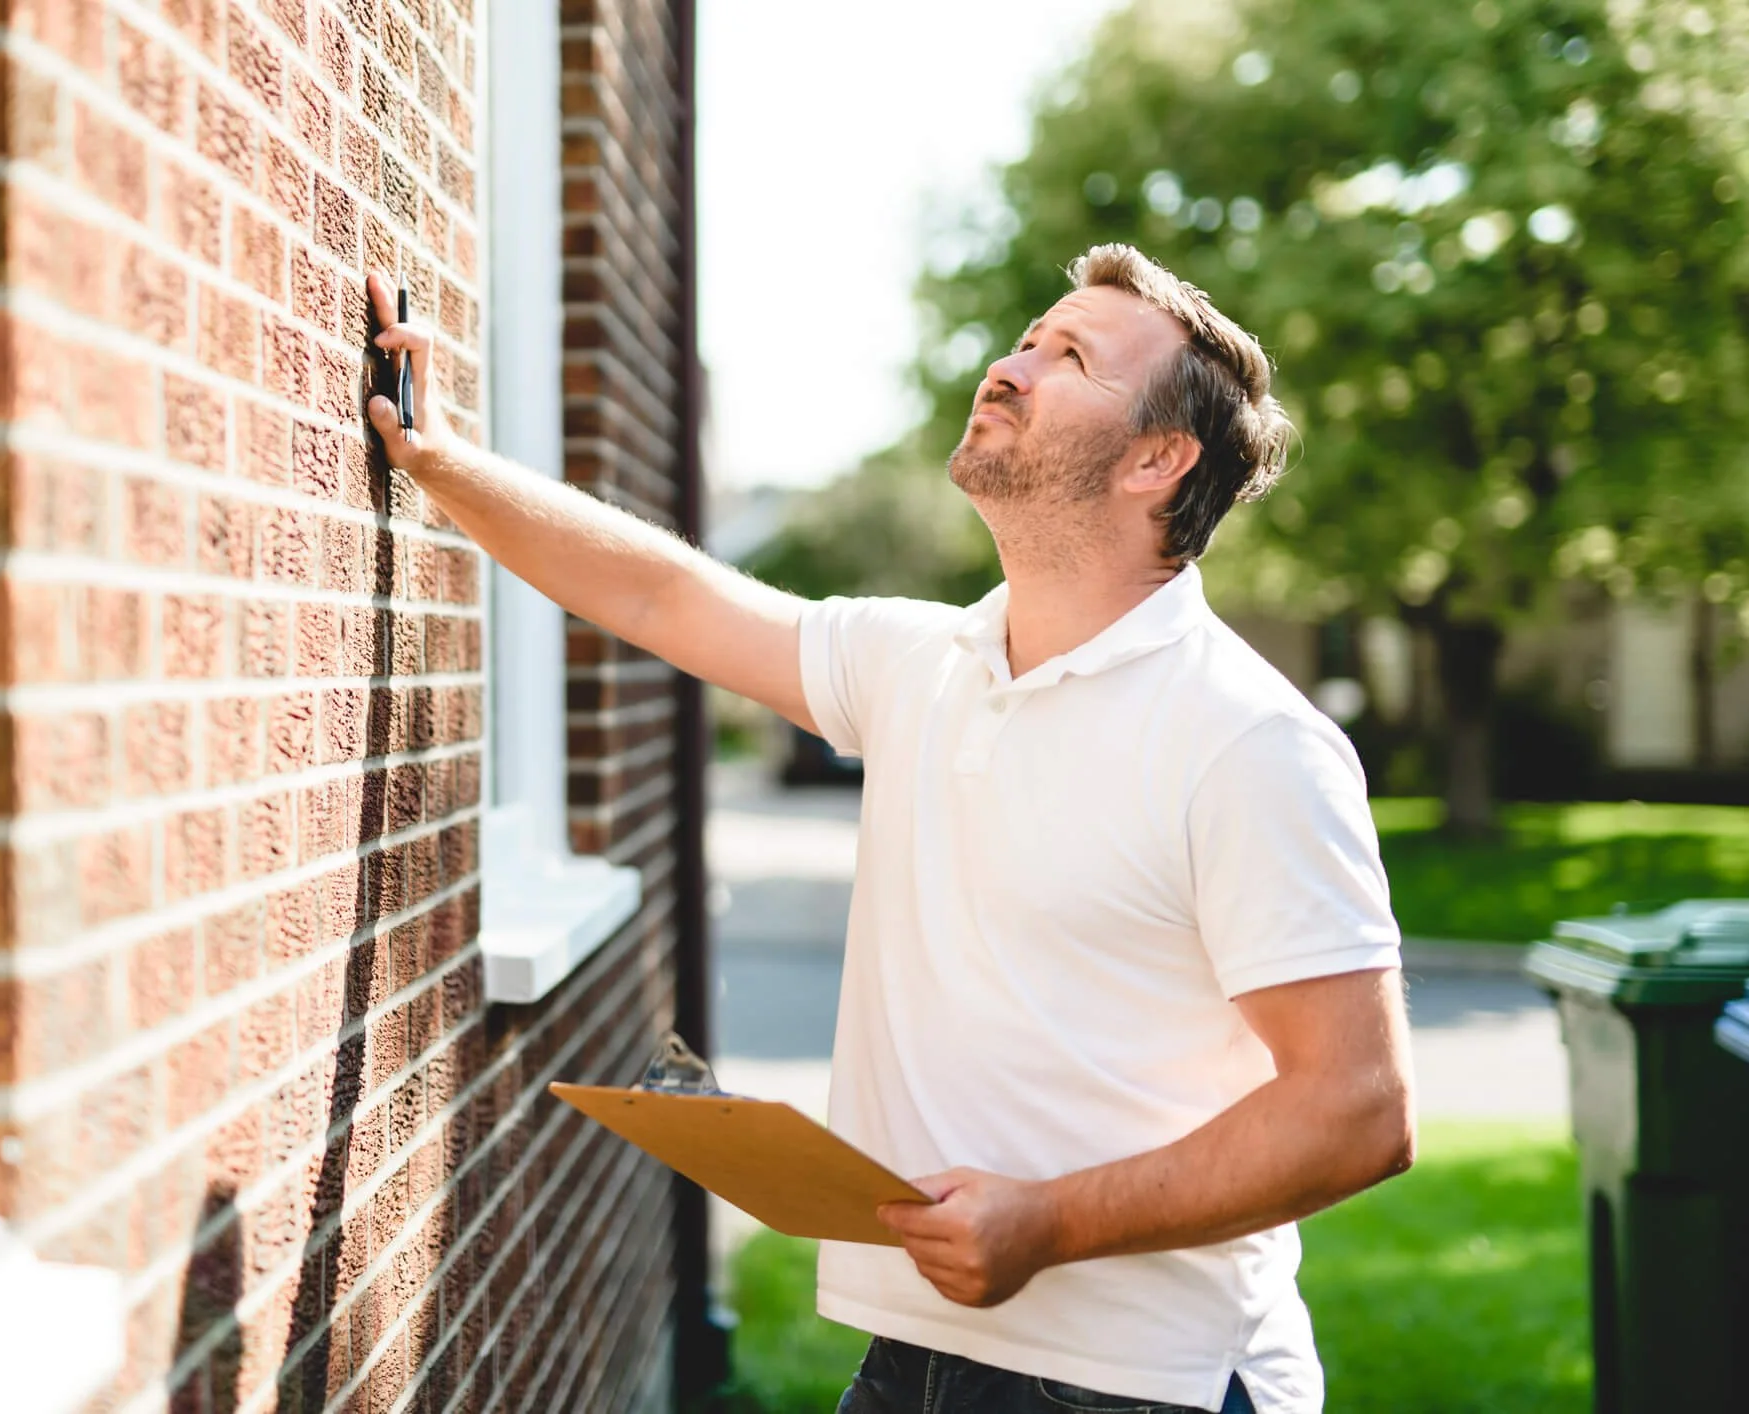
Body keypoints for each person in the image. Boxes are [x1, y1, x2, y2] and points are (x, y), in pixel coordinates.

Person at [360, 243, 1414, 1414]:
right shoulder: (921, 660)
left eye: (1069, 357)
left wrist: (1050, 1221)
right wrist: (439, 461)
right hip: (911, 1357)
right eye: (1024, 339)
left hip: (1144, 1381)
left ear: (1161, 458)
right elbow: (662, 595)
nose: (1009, 368)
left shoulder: (1248, 741)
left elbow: (1356, 1109)